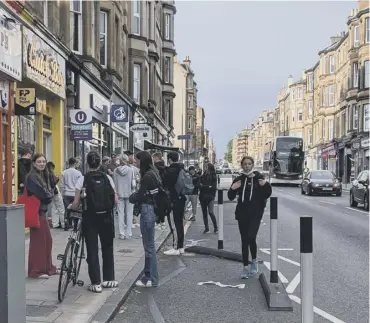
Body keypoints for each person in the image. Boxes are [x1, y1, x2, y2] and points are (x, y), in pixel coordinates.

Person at [71, 151, 118, 293]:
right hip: (106, 218)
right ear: (99, 163)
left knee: (92, 249)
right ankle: (109, 279)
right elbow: (115, 200)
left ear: (87, 163)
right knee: (107, 247)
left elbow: (76, 202)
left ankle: (96, 283)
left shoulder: (82, 179)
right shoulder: (107, 178)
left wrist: (72, 207)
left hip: (90, 218)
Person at [228, 156, 272, 279]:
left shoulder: (259, 178)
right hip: (242, 214)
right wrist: (232, 188)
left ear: (252, 165)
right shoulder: (239, 179)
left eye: (249, 164)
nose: (247, 166)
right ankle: (245, 267)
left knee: (251, 237)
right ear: (242, 165)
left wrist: (266, 185)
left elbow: (267, 194)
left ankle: (254, 261)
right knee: (244, 240)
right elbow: (230, 196)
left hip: (255, 214)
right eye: (245, 164)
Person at [129, 151, 160, 287]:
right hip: (150, 209)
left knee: (149, 247)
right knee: (148, 246)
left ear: (142, 161)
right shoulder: (153, 173)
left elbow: (141, 195)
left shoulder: (147, 176)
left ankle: (152, 278)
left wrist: (132, 197)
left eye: (136, 160)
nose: (135, 162)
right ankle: (147, 276)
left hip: (147, 210)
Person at [25, 153, 57, 279]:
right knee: (38, 243)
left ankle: (48, 267)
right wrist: (48, 195)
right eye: (39, 162)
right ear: (33, 163)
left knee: (47, 241)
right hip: (37, 213)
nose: (42, 164)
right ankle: (36, 271)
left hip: (41, 212)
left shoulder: (43, 175)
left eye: (43, 161)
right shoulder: (32, 177)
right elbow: (45, 195)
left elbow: (50, 191)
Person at [162, 152, 186, 256]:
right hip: (182, 199)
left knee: (174, 224)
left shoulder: (170, 171)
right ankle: (181, 247)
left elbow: (164, 184)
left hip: (173, 200)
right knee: (180, 223)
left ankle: (175, 247)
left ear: (170, 159)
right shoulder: (182, 168)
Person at [113, 154, 135, 239]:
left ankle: (121, 233)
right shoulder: (131, 170)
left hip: (119, 194)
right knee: (129, 214)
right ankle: (128, 233)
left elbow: (114, 183)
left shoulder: (115, 170)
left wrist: (116, 192)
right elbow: (133, 184)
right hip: (129, 194)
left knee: (120, 214)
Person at [61, 157, 83, 230]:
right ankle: (75, 226)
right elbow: (80, 185)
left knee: (67, 210)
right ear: (75, 163)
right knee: (76, 210)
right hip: (75, 194)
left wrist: (63, 193)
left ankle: (68, 224)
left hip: (66, 193)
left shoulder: (64, 172)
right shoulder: (78, 173)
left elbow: (62, 184)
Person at [199, 163, 218, 233]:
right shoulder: (203, 176)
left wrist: (204, 186)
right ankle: (206, 228)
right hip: (202, 197)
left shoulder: (214, 176)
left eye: (206, 167)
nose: (205, 168)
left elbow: (213, 187)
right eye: (205, 167)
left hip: (210, 197)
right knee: (204, 213)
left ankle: (215, 227)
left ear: (210, 168)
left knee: (211, 212)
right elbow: (199, 185)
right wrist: (207, 186)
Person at [46, 161, 65, 228]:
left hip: (50, 193)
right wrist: (57, 179)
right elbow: (53, 183)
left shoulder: (45, 173)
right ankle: (63, 224)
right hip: (55, 192)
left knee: (54, 208)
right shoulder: (51, 173)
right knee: (61, 208)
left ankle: (55, 224)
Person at [152, 152, 167, 229]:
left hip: (156, 189)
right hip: (164, 189)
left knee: (157, 206)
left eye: (153, 158)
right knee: (162, 206)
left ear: (156, 158)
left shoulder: (155, 167)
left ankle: (157, 222)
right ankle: (163, 222)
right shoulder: (164, 166)